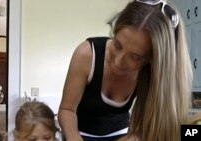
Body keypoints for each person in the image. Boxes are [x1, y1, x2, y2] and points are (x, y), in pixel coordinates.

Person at [58, 0, 193, 141]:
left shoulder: (151, 74)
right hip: (79, 133)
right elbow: (67, 110)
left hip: (123, 134)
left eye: (135, 57)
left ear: (151, 60)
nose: (118, 62)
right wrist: (74, 138)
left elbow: (138, 131)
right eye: (117, 45)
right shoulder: (86, 54)